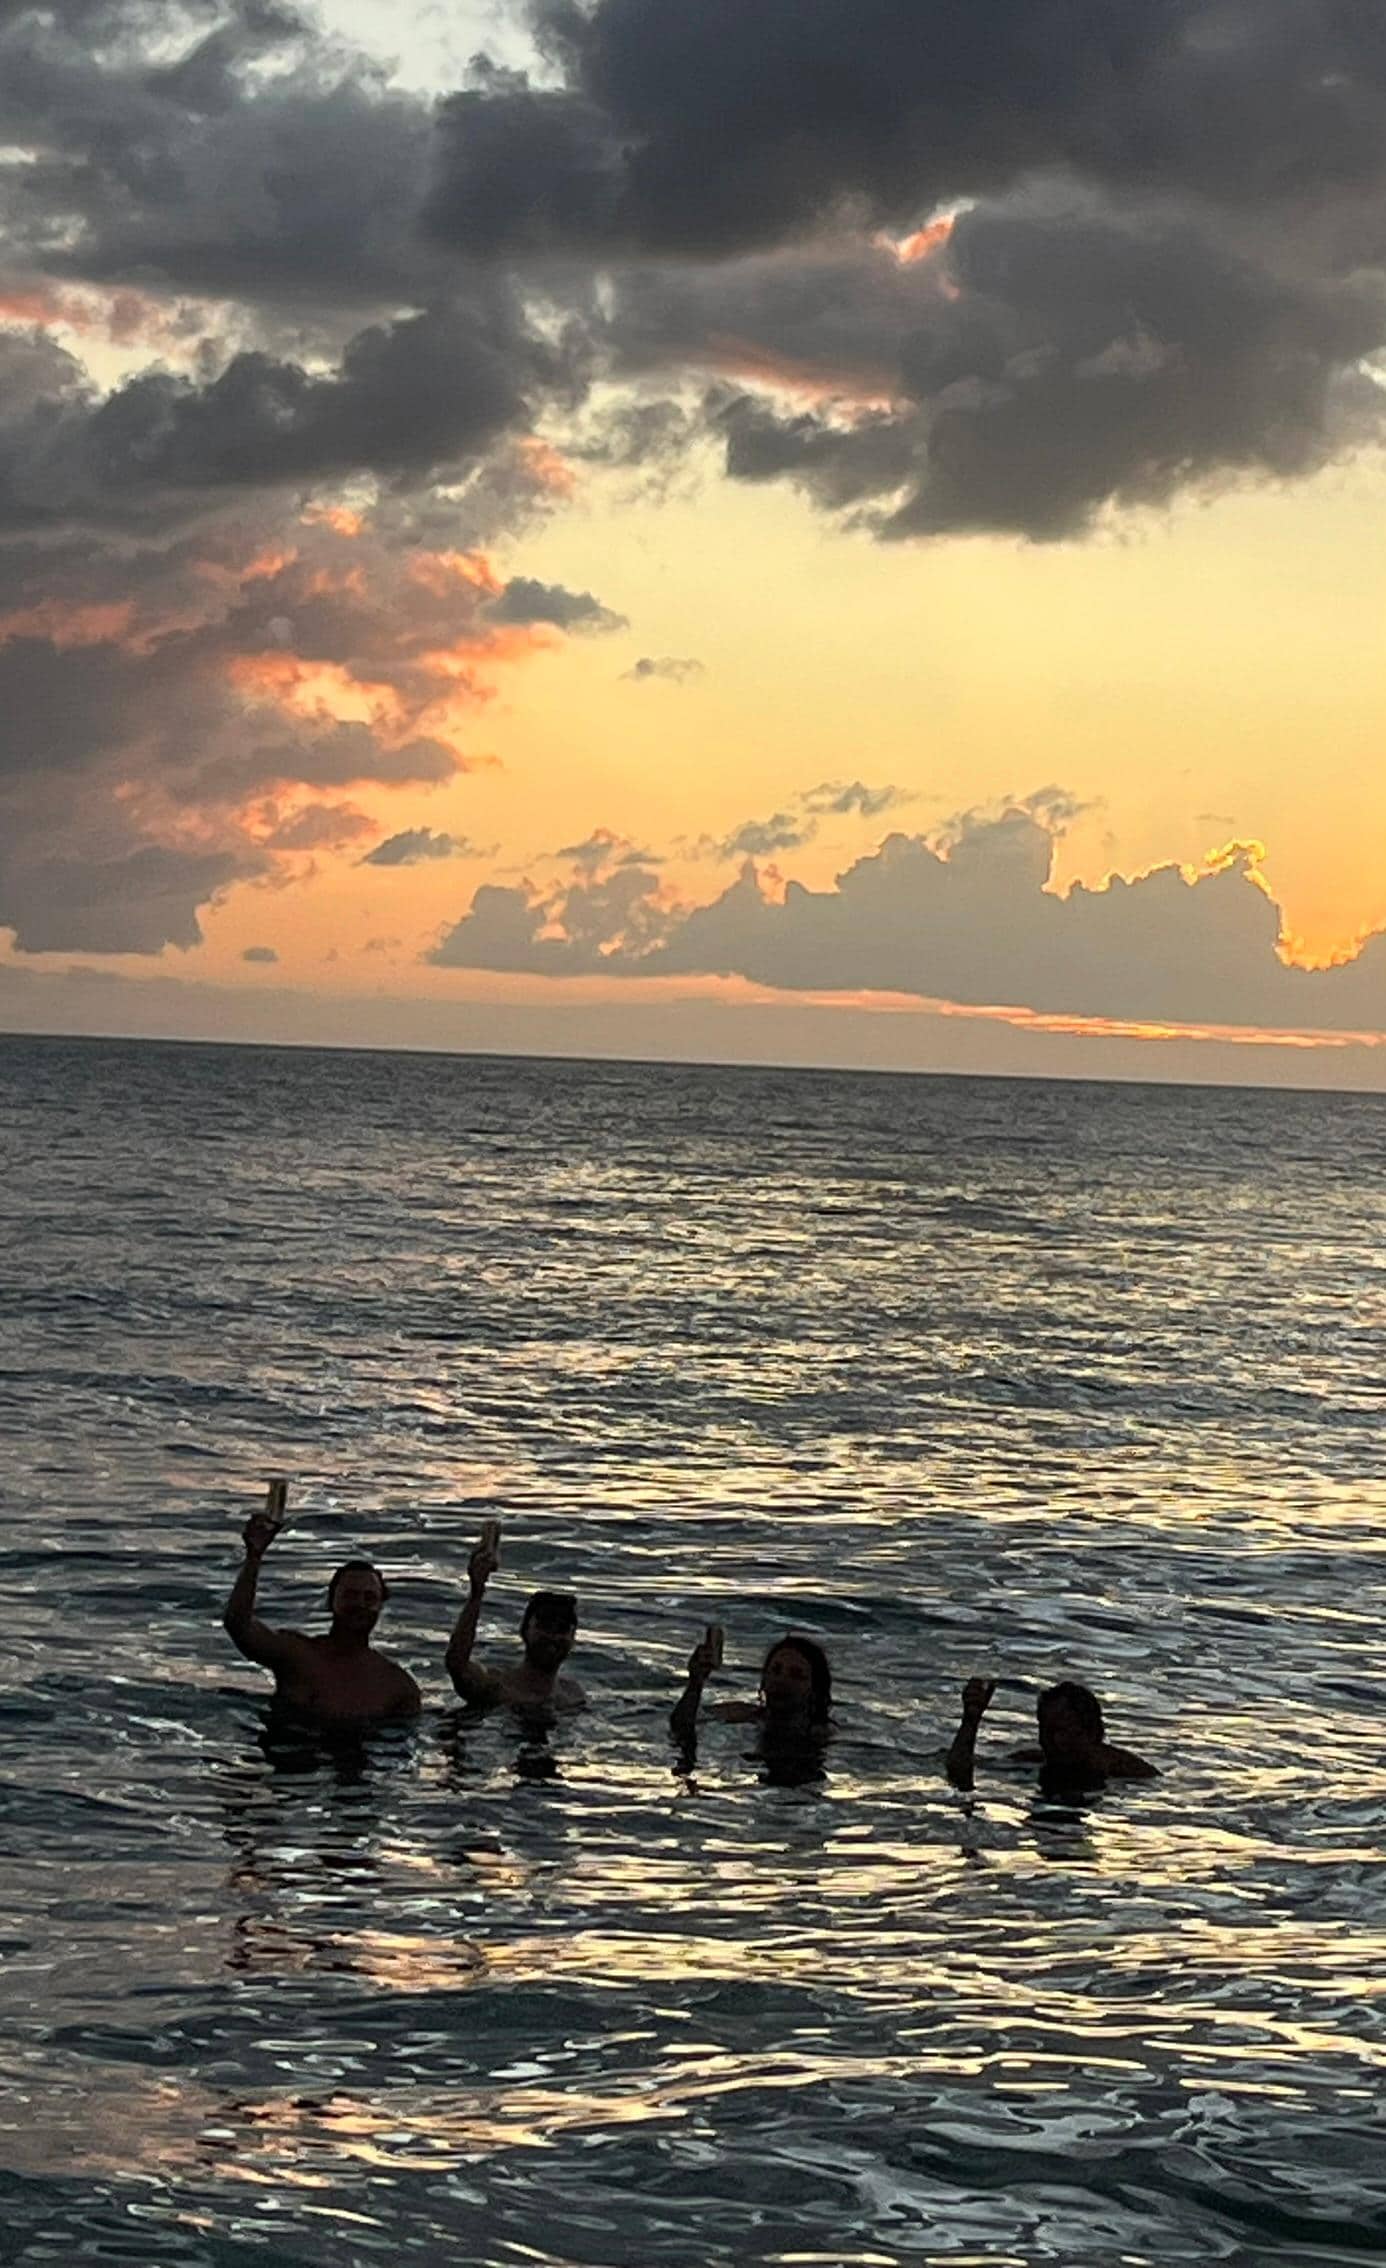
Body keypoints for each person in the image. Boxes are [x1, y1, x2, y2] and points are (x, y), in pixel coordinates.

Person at [222, 1507, 421, 1728]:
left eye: (369, 1597)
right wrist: (254, 1556)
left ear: (381, 1606)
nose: (360, 1604)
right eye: (350, 1595)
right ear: (330, 1602)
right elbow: (238, 1625)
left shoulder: (397, 1686)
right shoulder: (296, 1654)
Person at [445, 1530, 584, 1713]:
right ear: (524, 1630)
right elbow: (457, 1665)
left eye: (562, 1628)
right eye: (545, 1625)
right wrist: (476, 1593)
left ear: (573, 1639)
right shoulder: (496, 1686)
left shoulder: (573, 1695)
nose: (553, 1636)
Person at [946, 1677, 1156, 1792]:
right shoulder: (1035, 1760)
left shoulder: (1130, 1772)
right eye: (1047, 1730)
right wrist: (971, 1721)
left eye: (1064, 1732)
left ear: (1093, 1732)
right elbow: (959, 1771)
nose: (1054, 1742)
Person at [670, 1629, 833, 1748]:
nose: (782, 1680)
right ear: (764, 1680)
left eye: (796, 1675)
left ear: (815, 1690)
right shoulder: (745, 1714)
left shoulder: (821, 1735)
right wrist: (695, 1683)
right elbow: (681, 1725)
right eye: (775, 1670)